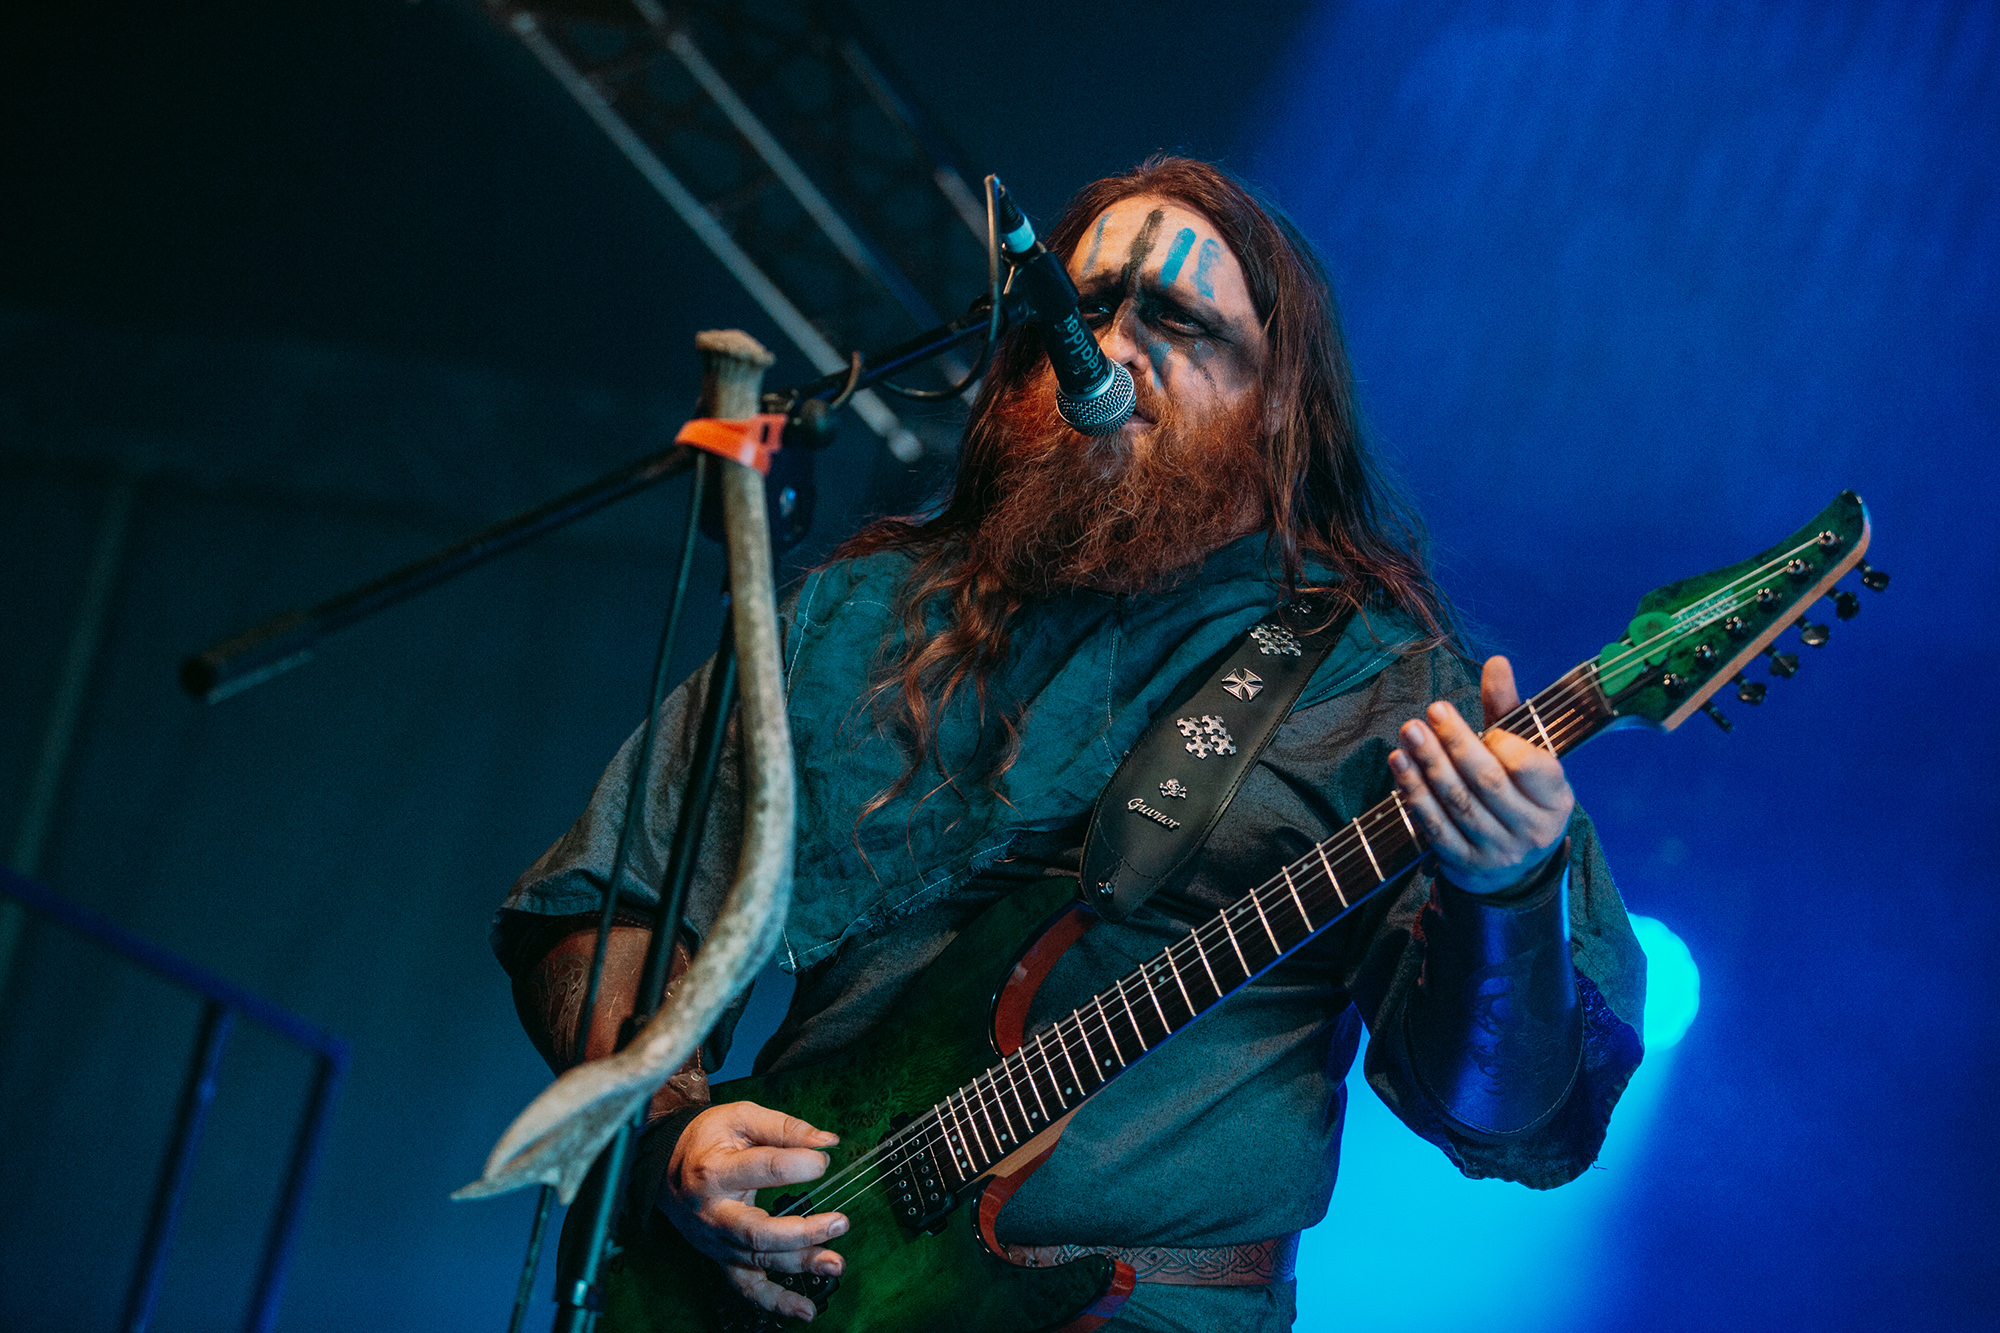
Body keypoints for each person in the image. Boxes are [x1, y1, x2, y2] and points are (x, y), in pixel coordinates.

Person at [493, 157, 1646, 1331]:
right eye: (1078, 308)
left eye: (1176, 320)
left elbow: (1510, 1115)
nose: (1106, 349)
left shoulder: (1382, 697)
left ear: (1280, 402)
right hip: (778, 1291)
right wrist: (668, 1125)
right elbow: (611, 897)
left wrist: (1509, 892)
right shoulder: (856, 621)